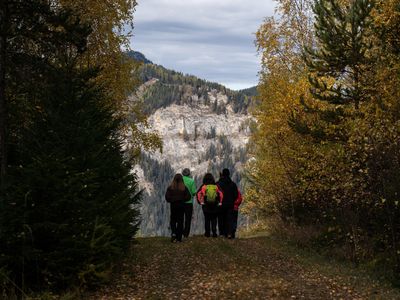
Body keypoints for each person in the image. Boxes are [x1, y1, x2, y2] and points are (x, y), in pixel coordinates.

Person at [165, 174, 191, 242]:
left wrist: (172, 200)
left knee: (173, 220)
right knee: (180, 221)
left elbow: (167, 198)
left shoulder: (170, 188)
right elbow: (189, 197)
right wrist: (183, 199)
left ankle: (173, 233)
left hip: (173, 206)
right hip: (181, 206)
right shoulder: (184, 188)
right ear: (181, 180)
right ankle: (179, 237)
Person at [196, 173, 223, 237]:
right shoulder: (216, 186)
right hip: (215, 205)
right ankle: (214, 233)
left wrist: (200, 202)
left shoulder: (203, 186)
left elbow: (198, 194)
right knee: (214, 219)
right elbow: (221, 194)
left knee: (207, 219)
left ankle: (207, 233)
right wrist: (220, 202)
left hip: (206, 205)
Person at [216, 168, 238, 239]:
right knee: (229, 218)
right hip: (230, 204)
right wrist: (231, 200)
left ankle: (222, 233)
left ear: (222, 174)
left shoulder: (218, 184)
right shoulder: (233, 184)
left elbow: (216, 194)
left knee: (221, 218)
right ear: (229, 174)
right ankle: (229, 233)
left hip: (220, 204)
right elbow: (236, 195)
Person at [182, 168, 197, 238]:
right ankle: (186, 234)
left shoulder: (180, 180)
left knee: (180, 218)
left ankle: (180, 232)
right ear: (189, 174)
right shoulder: (191, 181)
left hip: (180, 202)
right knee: (188, 219)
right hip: (189, 202)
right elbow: (194, 192)